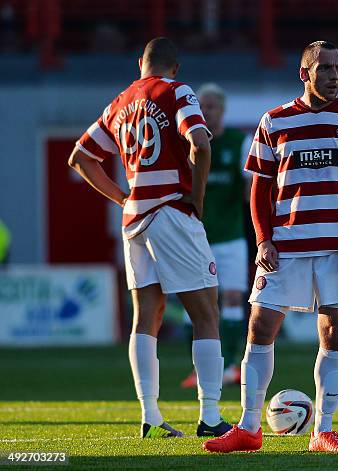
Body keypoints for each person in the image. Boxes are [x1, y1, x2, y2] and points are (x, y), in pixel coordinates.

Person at [204, 40, 338, 453]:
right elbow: (259, 188)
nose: (334, 75)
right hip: (285, 245)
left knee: (334, 331)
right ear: (304, 73)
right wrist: (263, 238)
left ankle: (322, 430)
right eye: (325, 68)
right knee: (260, 326)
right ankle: (249, 428)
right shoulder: (274, 121)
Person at [68, 37, 231, 439]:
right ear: (175, 67)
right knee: (206, 313)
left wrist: (123, 196)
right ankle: (210, 416)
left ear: (140, 62)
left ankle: (151, 416)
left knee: (146, 317)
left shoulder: (119, 102)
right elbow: (200, 142)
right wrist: (197, 196)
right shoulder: (177, 92)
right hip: (172, 212)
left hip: (134, 218)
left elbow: (80, 158)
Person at [181, 83, 251, 389]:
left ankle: (233, 366)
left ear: (221, 110)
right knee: (195, 302)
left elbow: (251, 190)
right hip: (195, 237)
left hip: (232, 237)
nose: (206, 111)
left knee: (233, 299)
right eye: (202, 106)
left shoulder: (239, 142)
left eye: (211, 106)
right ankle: (198, 370)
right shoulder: (187, 143)